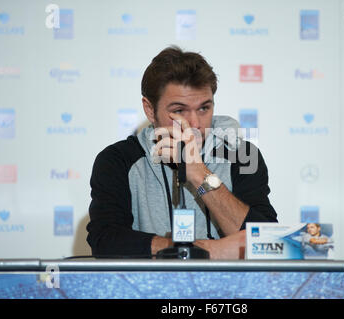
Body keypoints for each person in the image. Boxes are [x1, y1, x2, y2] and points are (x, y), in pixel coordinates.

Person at [86, 46, 277, 259]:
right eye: (179, 110)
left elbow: (266, 242)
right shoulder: (118, 160)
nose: (194, 123)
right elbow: (105, 240)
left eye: (204, 108)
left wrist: (200, 176)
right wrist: (187, 249)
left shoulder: (241, 154)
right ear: (150, 110)